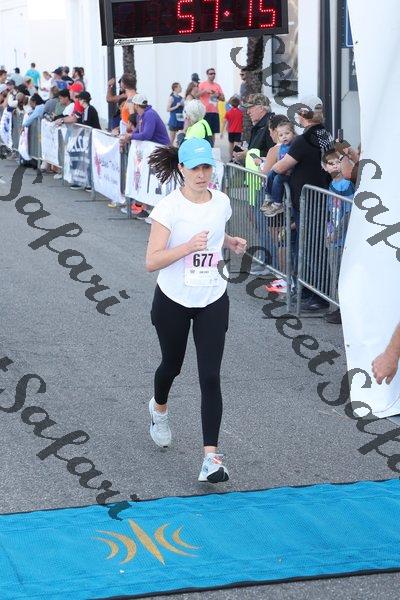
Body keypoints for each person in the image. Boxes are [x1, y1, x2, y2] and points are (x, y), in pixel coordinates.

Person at [146, 137, 247, 483]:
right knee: (171, 366)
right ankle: (159, 408)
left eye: (207, 167)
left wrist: (229, 242)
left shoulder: (221, 202)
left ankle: (211, 459)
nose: (202, 174)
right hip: (173, 299)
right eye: (195, 168)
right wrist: (187, 247)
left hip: (212, 297)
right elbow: (151, 261)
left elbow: (215, 233)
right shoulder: (168, 209)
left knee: (210, 376)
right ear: (181, 169)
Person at [270, 94, 333, 311]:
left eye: (298, 112)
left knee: (312, 248)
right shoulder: (325, 134)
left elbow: (280, 166)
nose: (296, 116)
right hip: (316, 197)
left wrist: (273, 172)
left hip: (310, 201)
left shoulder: (304, 140)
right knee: (309, 247)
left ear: (303, 114)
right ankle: (308, 291)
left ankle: (319, 297)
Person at [321, 148, 355, 324]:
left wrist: (337, 233)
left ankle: (345, 312)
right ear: (324, 167)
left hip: (343, 239)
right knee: (336, 274)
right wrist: (329, 231)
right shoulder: (332, 184)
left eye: (337, 162)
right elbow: (331, 211)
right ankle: (340, 309)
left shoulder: (346, 185)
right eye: (331, 163)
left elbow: (348, 212)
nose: (335, 166)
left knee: (343, 276)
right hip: (334, 237)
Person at [262, 121, 297, 217]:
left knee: (278, 179)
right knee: (270, 174)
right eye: (281, 135)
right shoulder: (281, 147)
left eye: (287, 133)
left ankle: (278, 203)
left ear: (293, 133)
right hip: (282, 170)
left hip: (291, 173)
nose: (284, 137)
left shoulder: (294, 145)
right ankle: (268, 197)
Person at [198, 68, 225, 144]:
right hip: (204, 112)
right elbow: (196, 95)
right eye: (211, 73)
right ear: (207, 75)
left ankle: (212, 147)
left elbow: (223, 98)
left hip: (214, 112)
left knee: (213, 132)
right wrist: (205, 91)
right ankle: (204, 146)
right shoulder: (202, 84)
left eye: (214, 73)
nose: (213, 75)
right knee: (204, 131)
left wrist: (217, 95)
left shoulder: (217, 86)